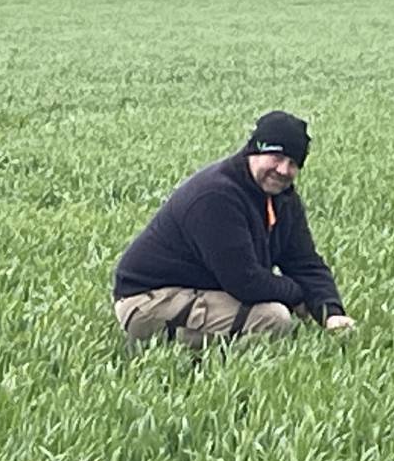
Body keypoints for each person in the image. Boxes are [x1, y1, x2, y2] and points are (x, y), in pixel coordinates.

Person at [112, 111, 355, 349]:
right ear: (254, 151)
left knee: (277, 316)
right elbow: (244, 281)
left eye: (293, 163)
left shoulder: (283, 199)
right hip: (148, 301)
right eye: (276, 157)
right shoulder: (217, 196)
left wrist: (330, 312)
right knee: (273, 319)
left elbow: (305, 262)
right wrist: (298, 295)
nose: (283, 170)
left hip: (198, 291)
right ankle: (188, 361)